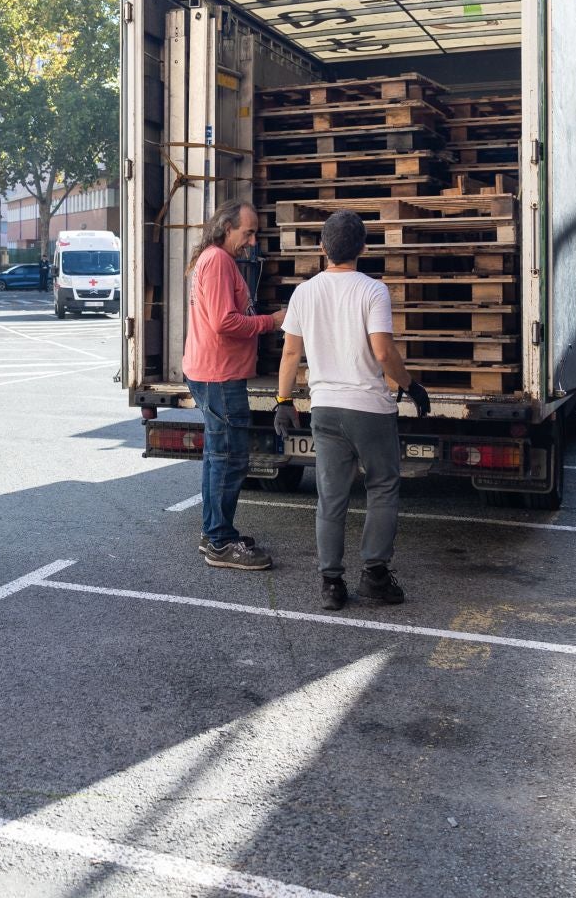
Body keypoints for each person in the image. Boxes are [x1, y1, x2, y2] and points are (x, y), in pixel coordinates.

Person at [274, 209, 428, 610]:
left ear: (322, 248)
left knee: (331, 496)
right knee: (382, 487)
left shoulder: (304, 293)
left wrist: (283, 401)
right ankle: (375, 576)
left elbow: (291, 351)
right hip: (369, 410)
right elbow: (382, 351)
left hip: (325, 408)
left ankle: (331, 584)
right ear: (363, 247)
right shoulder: (372, 291)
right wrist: (410, 386)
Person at [183, 200, 283, 569]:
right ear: (228, 228)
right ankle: (222, 543)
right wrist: (270, 322)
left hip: (209, 371)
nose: (253, 241)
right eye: (249, 232)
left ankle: (214, 533)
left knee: (216, 457)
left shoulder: (209, 259)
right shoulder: (219, 262)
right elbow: (226, 322)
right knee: (229, 459)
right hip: (219, 375)